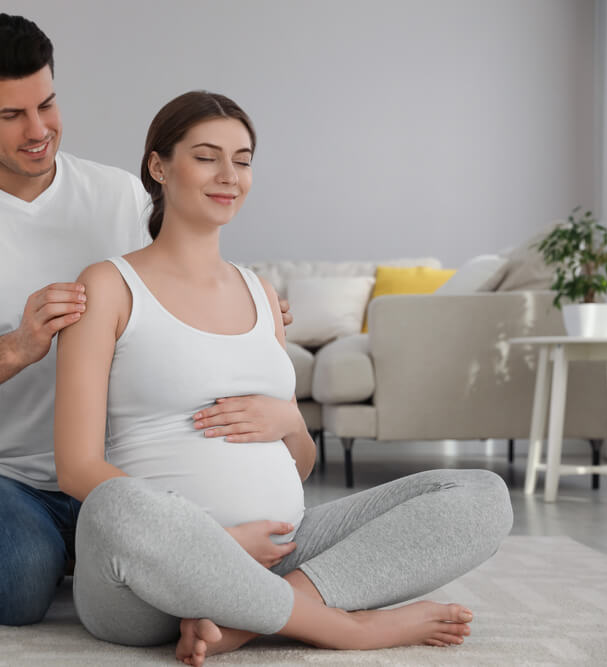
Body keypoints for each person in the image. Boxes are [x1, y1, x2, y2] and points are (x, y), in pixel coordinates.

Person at [54, 91, 513, 665]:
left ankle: (244, 623)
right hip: (146, 576)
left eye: (243, 160)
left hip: (278, 550)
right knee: (113, 505)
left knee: (480, 496)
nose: (229, 175)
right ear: (158, 166)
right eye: (207, 156)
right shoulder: (107, 287)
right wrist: (212, 546)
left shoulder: (262, 294)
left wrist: (291, 420)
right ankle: (348, 629)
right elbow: (75, 467)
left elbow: (298, 463)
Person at [0, 15, 292, 627]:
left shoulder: (118, 195)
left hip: (114, 468)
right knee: (16, 585)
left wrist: (254, 310)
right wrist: (19, 346)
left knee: (245, 538)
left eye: (47, 103)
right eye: (13, 115)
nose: (40, 130)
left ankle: (92, 557)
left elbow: (186, 273)